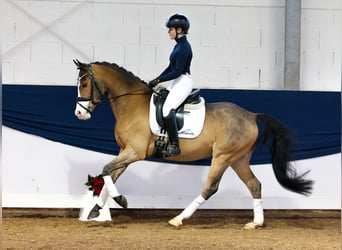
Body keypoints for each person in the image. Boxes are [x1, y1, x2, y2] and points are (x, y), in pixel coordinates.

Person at [148, 14, 194, 157]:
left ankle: (175, 145)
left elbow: (177, 71)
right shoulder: (178, 46)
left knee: (168, 109)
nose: (169, 32)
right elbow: (170, 67)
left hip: (183, 82)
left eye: (170, 29)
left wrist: (159, 80)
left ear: (179, 29)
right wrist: (157, 79)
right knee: (160, 99)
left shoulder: (184, 47)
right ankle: (163, 137)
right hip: (176, 81)